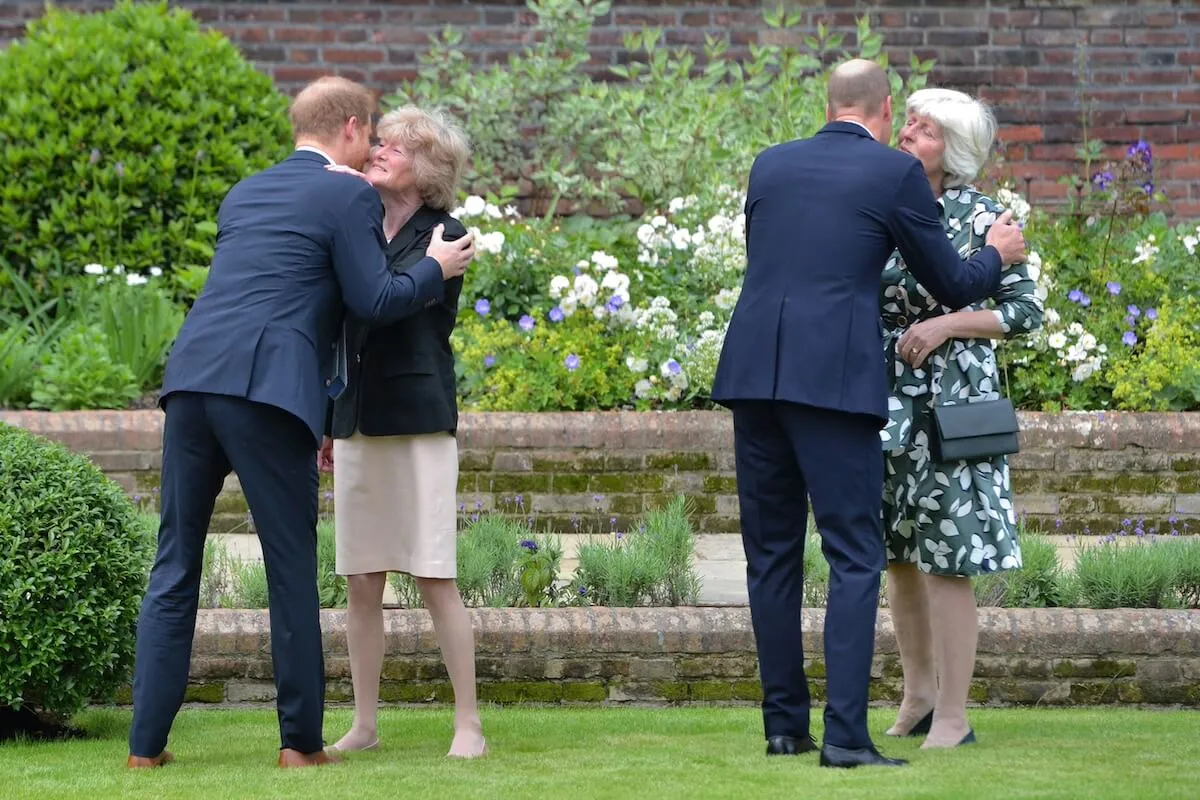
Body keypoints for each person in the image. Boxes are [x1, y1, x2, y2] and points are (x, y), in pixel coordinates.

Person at [126, 76, 476, 770]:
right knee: (290, 570)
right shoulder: (345, 193)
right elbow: (374, 298)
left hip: (191, 382)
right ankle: (300, 747)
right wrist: (434, 268)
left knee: (173, 567)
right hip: (266, 392)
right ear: (348, 126)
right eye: (370, 132)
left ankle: (145, 749)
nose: (372, 146)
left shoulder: (246, 190)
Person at [709, 59, 1027, 769]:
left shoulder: (771, 165)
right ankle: (848, 738)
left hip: (755, 374)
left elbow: (781, 261)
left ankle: (785, 728)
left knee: (772, 558)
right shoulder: (893, 174)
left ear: (829, 103)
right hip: (833, 381)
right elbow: (949, 281)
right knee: (855, 556)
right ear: (884, 108)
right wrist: (995, 255)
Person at [319, 106, 486, 759]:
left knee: (434, 574)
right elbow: (346, 326)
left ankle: (468, 724)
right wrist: (332, 420)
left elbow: (384, 302)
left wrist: (426, 268)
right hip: (358, 420)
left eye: (396, 145)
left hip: (417, 423)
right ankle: (364, 725)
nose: (380, 150)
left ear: (429, 167)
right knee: (362, 579)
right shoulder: (360, 223)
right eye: (379, 142)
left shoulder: (450, 234)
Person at [878, 88, 1042, 749]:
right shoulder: (883, 210)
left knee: (949, 559)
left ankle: (954, 714)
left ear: (958, 152)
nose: (909, 132)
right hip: (886, 406)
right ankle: (917, 696)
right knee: (898, 558)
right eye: (909, 122)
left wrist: (948, 323)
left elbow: (1025, 313)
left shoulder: (987, 220)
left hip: (955, 412)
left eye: (926, 129)